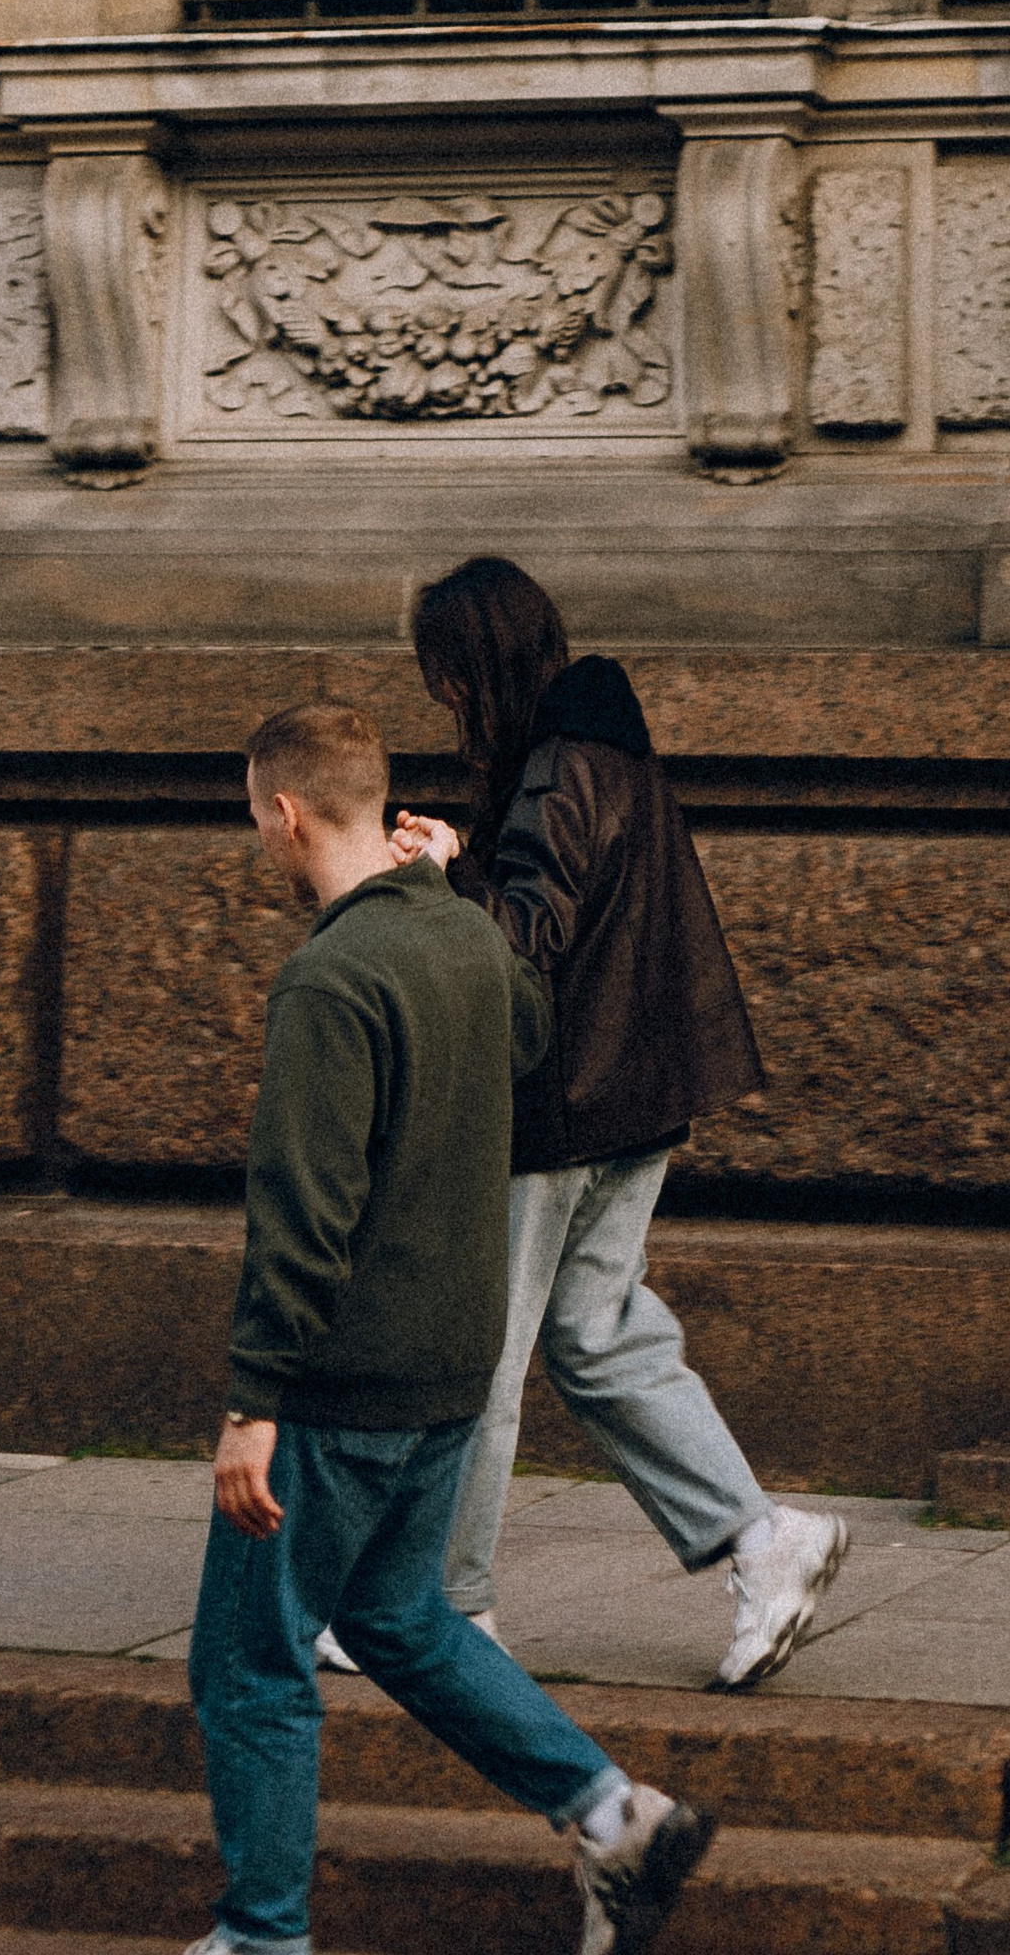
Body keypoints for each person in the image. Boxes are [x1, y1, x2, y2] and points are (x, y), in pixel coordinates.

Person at [191, 698, 715, 1955]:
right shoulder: (470, 947)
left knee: (250, 1664)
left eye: (258, 818)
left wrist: (251, 1403)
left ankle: (263, 1938)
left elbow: (303, 1212)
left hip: (340, 1380)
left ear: (285, 812)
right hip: (451, 1370)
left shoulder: (329, 978)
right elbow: (530, 1036)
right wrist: (450, 882)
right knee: (398, 1620)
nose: (262, 836)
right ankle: (612, 1811)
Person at [388, 558, 850, 1694]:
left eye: (442, 677)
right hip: (636, 1096)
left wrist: (445, 868)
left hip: (559, 1109)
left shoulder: (557, 764)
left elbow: (527, 933)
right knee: (599, 1335)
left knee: (478, 1360)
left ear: (473, 663)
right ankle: (759, 1539)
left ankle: (445, 1611)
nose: (441, 700)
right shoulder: (606, 743)